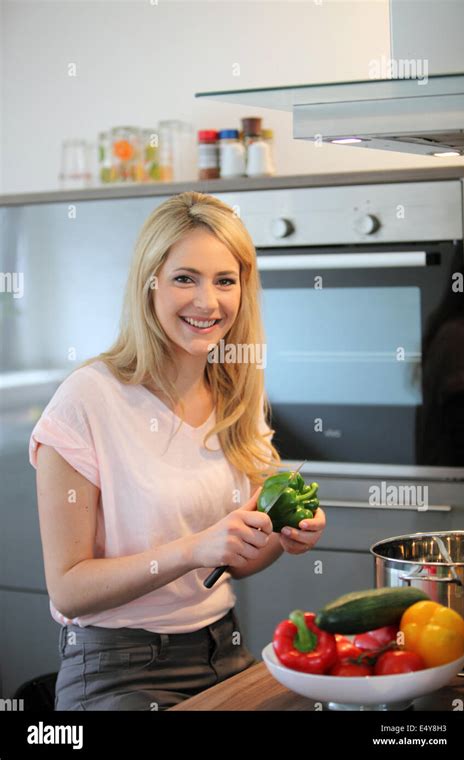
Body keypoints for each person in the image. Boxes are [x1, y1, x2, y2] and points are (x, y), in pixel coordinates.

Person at [29, 191, 326, 711]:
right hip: (116, 671)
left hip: (224, 647)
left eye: (225, 280)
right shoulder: (87, 399)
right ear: (150, 284)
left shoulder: (236, 394)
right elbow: (68, 590)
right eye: (185, 278)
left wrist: (284, 533)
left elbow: (236, 560)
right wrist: (194, 548)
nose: (207, 302)